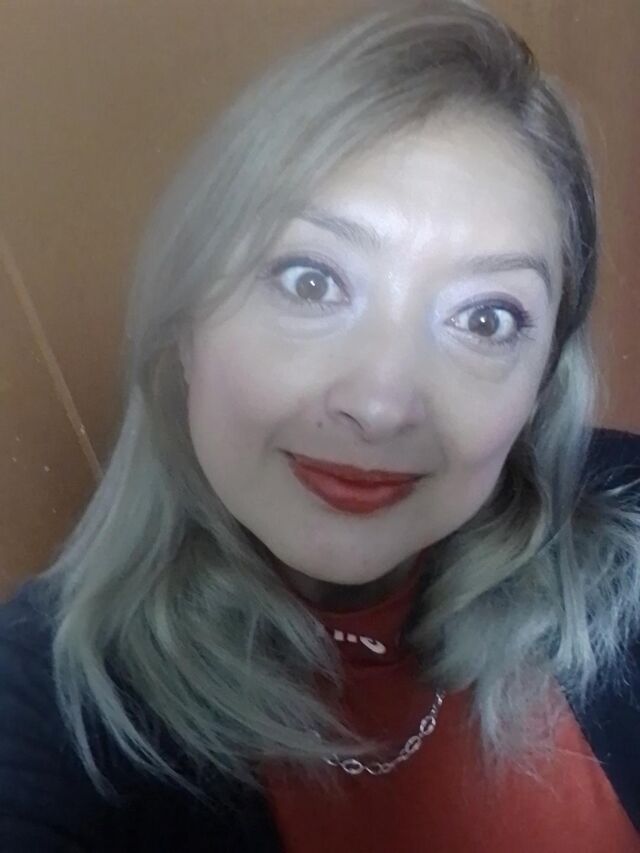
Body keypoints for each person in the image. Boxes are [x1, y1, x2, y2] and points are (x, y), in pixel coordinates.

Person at [1, 0, 640, 849]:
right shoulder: (47, 707)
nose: (379, 405)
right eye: (310, 281)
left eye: (486, 319)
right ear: (185, 321)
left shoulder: (627, 528)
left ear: (540, 387)